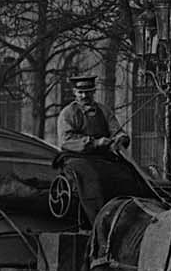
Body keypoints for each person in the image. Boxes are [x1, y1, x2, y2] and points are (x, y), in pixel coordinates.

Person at [56, 73, 133, 223]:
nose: (84, 96)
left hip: (103, 158)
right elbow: (66, 140)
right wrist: (95, 143)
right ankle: (98, 222)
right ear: (74, 93)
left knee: (127, 175)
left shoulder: (104, 111)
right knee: (93, 179)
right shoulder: (68, 114)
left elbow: (117, 130)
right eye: (80, 92)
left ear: (93, 92)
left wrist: (120, 139)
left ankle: (126, 218)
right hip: (77, 158)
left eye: (88, 92)